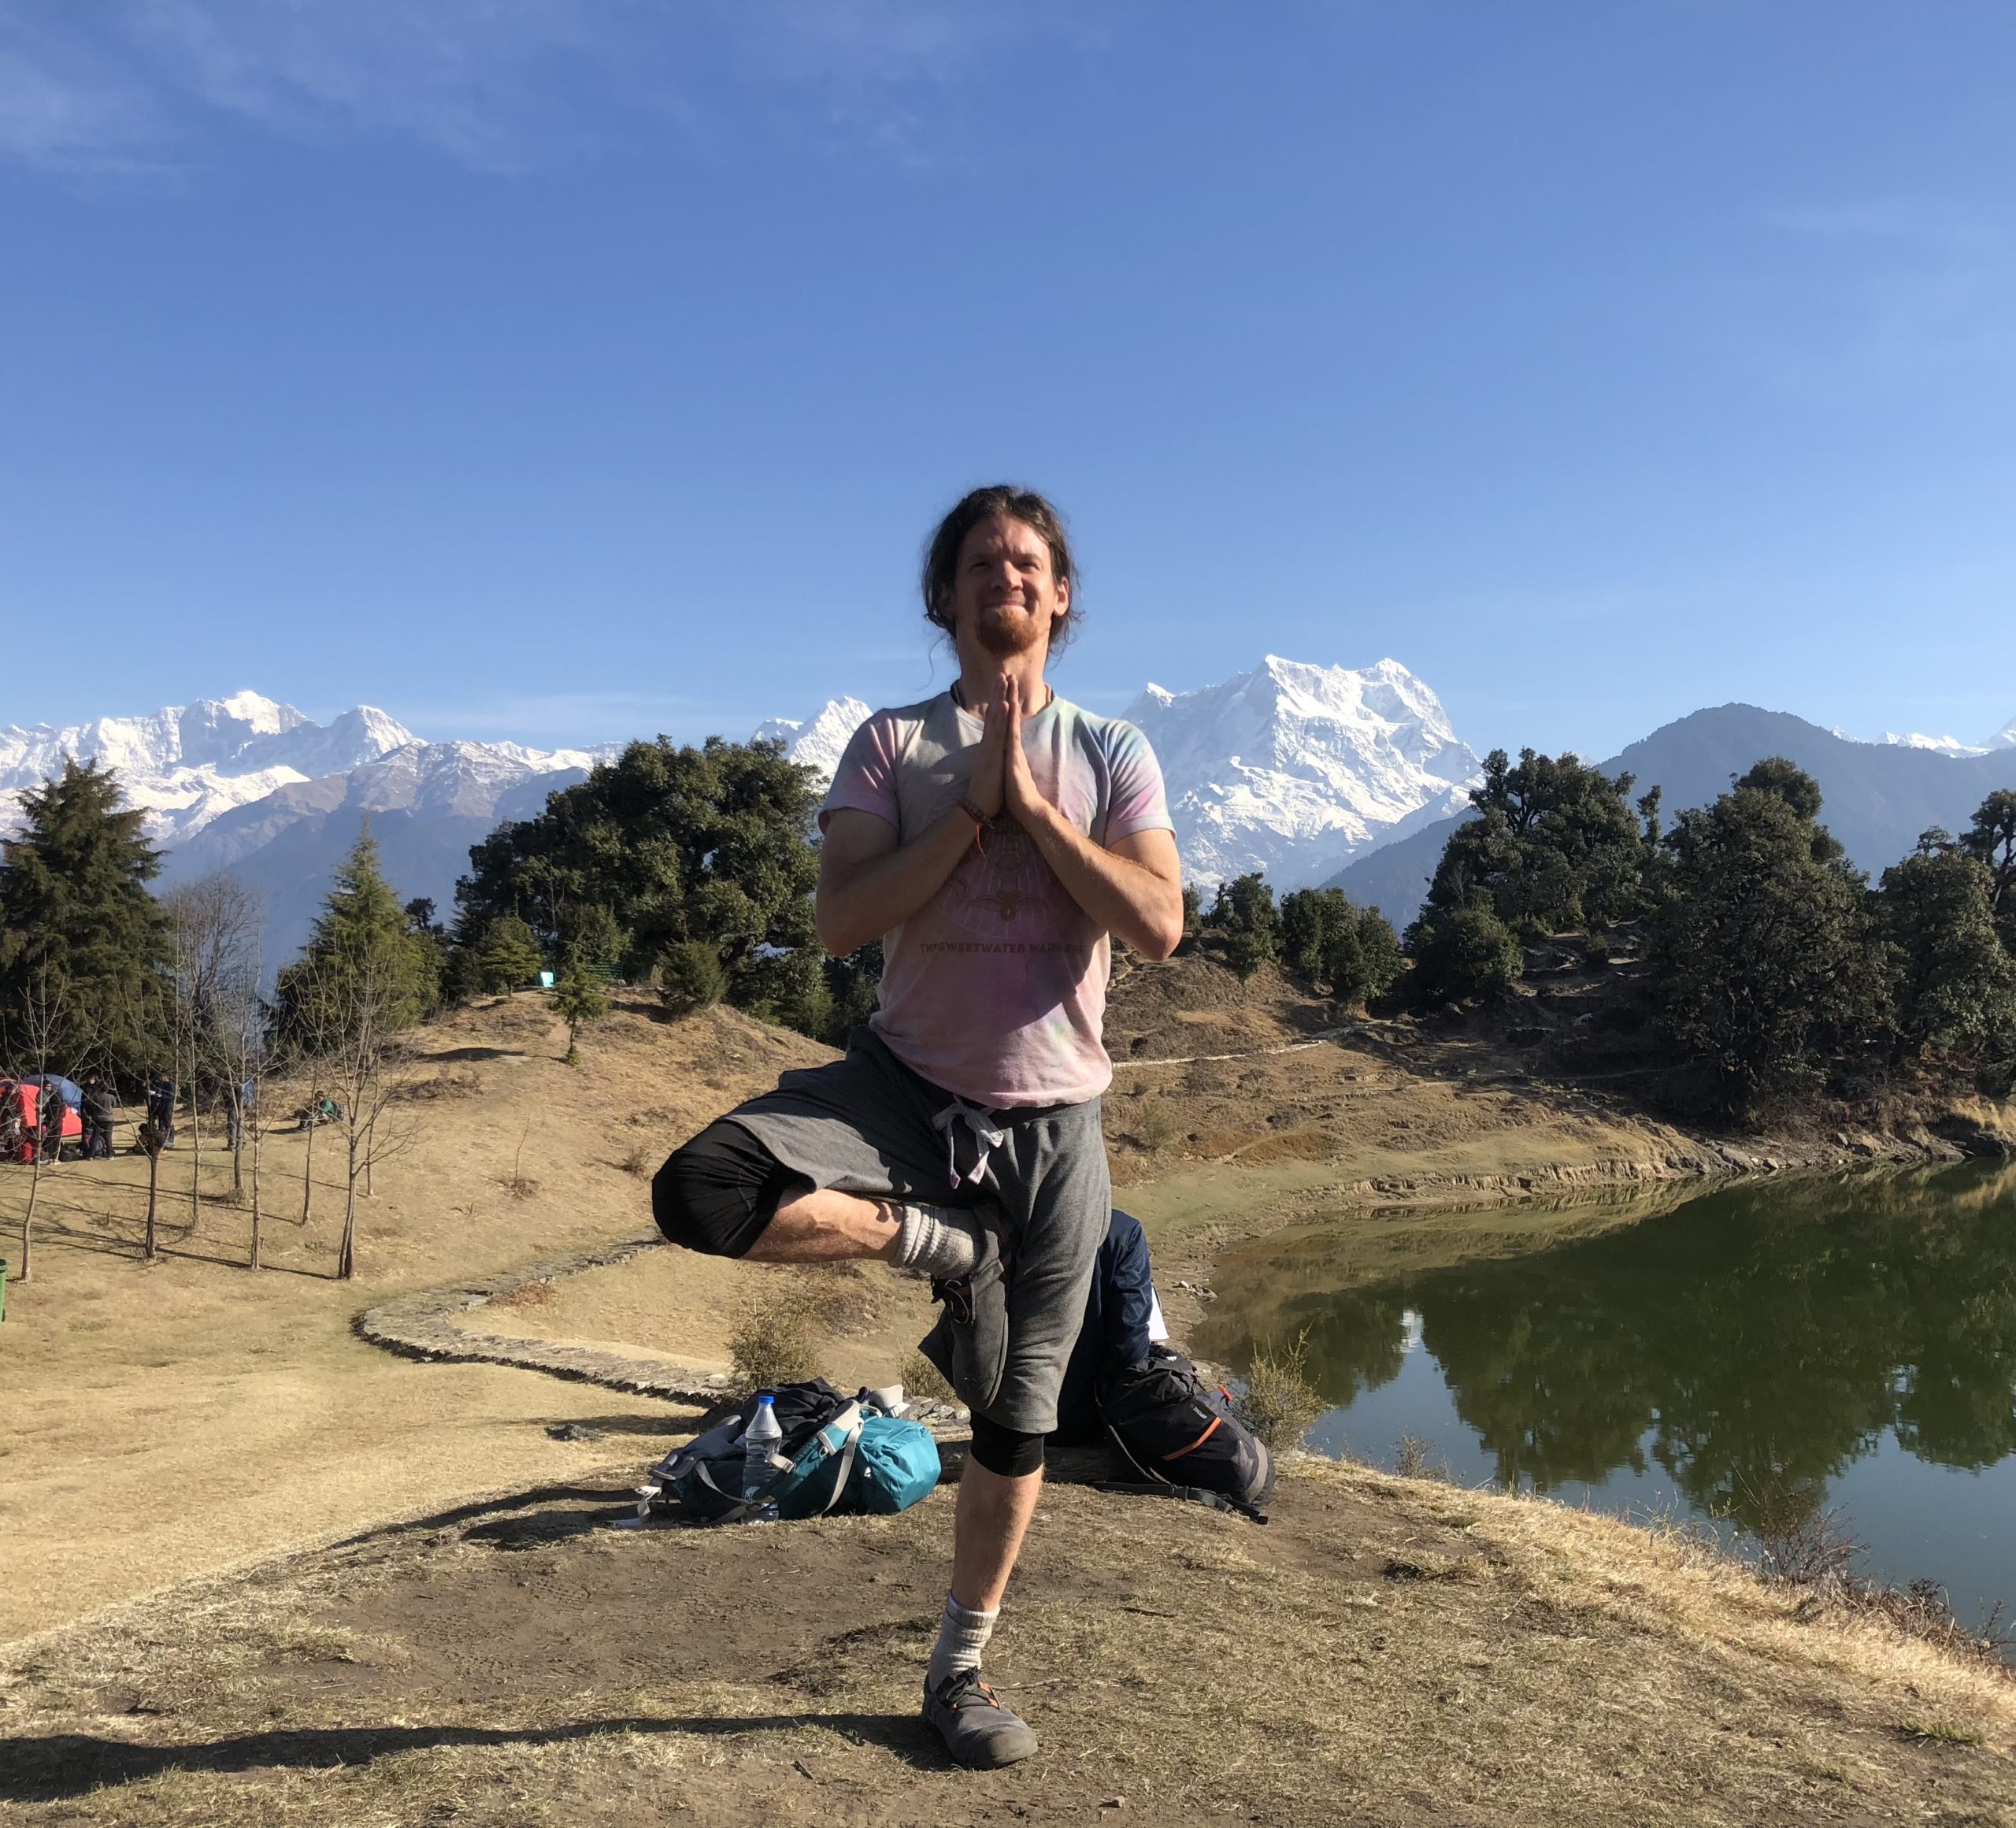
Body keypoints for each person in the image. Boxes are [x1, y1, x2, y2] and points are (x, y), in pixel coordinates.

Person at [653, 485, 1182, 1768]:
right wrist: (968, 814)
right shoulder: (887, 748)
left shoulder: (1113, 753)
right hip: (897, 1092)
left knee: (1017, 1420)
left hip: (1057, 1123)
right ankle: (938, 1244)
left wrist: (1037, 811)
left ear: (1060, 598)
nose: (1006, 573)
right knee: (705, 1186)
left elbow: (1159, 922)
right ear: (943, 598)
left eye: (1029, 560)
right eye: (980, 560)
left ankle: (958, 1672)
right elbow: (843, 920)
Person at [82, 1073, 117, 1160]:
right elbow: (114, 1105)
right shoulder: (111, 1097)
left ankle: (91, 1155)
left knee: (95, 1137)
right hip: (108, 1119)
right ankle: (109, 1154)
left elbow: (89, 1104)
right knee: (108, 1138)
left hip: (97, 1119)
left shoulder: (95, 1097)